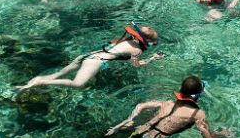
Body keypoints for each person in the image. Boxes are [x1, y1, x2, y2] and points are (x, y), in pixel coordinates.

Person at [106, 75, 234, 138]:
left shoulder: (167, 103)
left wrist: (130, 120)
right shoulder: (198, 114)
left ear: (180, 91)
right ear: (200, 95)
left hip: (136, 133)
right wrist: (223, 134)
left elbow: (140, 105)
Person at [13, 24, 164, 98]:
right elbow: (136, 65)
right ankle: (40, 82)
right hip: (94, 62)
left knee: (56, 75)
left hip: (85, 56)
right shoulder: (136, 50)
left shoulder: (123, 39)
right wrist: (152, 59)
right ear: (144, 41)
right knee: (77, 84)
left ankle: (27, 86)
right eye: (152, 43)